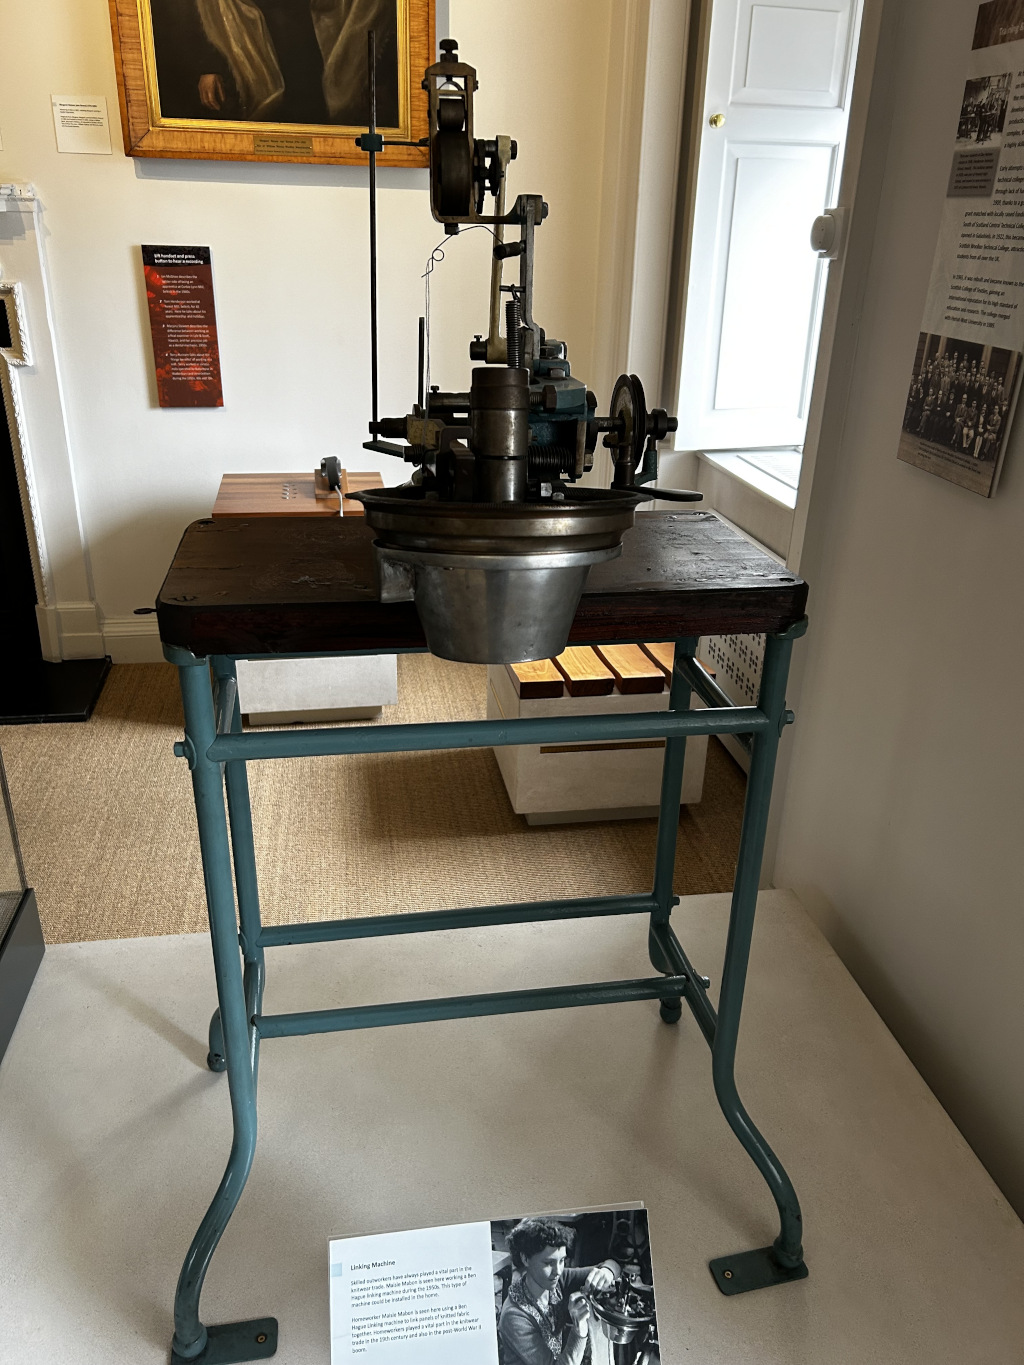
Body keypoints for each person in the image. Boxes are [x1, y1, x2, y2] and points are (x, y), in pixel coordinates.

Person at [188, 0, 399, 125]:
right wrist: (210, 66)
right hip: (247, 49)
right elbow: (210, 11)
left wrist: (377, 77)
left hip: (309, 37)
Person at [498, 1218, 620, 1365]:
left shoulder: (557, 1280)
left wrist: (607, 1272)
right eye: (549, 1263)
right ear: (525, 1259)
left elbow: (612, 1265)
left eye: (562, 1261)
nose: (558, 1271)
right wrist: (579, 1331)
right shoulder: (515, 1317)